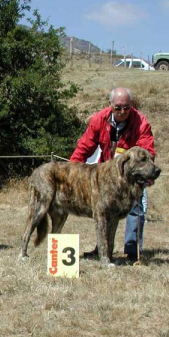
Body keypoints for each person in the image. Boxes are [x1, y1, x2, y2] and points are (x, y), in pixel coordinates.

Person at [70, 87, 155, 261]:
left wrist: (143, 173)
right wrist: (70, 172)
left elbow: (147, 151)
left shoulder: (141, 123)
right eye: (118, 107)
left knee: (136, 206)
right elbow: (84, 147)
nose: (122, 111)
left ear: (131, 106)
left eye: (126, 107)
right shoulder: (99, 119)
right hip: (105, 174)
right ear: (110, 105)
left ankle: (132, 252)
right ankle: (102, 250)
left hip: (131, 174)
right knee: (103, 213)